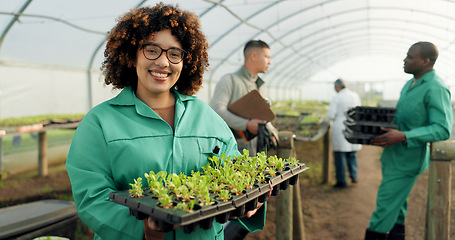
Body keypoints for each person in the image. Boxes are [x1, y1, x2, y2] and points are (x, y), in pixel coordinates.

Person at [66, 4, 267, 240]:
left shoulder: (206, 117)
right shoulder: (100, 122)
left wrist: (248, 204)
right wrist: (143, 230)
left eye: (174, 53)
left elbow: (234, 177)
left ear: (185, 61)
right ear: (132, 55)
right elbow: (92, 197)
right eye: (152, 50)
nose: (163, 63)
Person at [365, 42, 453, 240]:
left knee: (384, 207)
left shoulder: (435, 88)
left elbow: (442, 128)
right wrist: (389, 128)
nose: (405, 60)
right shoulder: (410, 84)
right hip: (393, 156)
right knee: (398, 206)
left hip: (407, 161)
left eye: (410, 57)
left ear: (426, 61)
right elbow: (404, 118)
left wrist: (404, 136)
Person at [210, 40, 278, 157]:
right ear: (254, 56)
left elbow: (262, 115)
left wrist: (271, 129)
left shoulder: (259, 85)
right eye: (266, 57)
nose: (269, 62)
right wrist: (246, 124)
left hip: (253, 150)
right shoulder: (229, 80)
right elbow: (217, 110)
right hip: (231, 151)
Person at [325, 78, 362, 188]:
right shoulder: (355, 96)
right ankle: (353, 175)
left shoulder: (337, 97)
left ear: (338, 87)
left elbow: (331, 115)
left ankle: (341, 181)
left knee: (340, 155)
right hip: (353, 127)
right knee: (352, 153)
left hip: (340, 127)